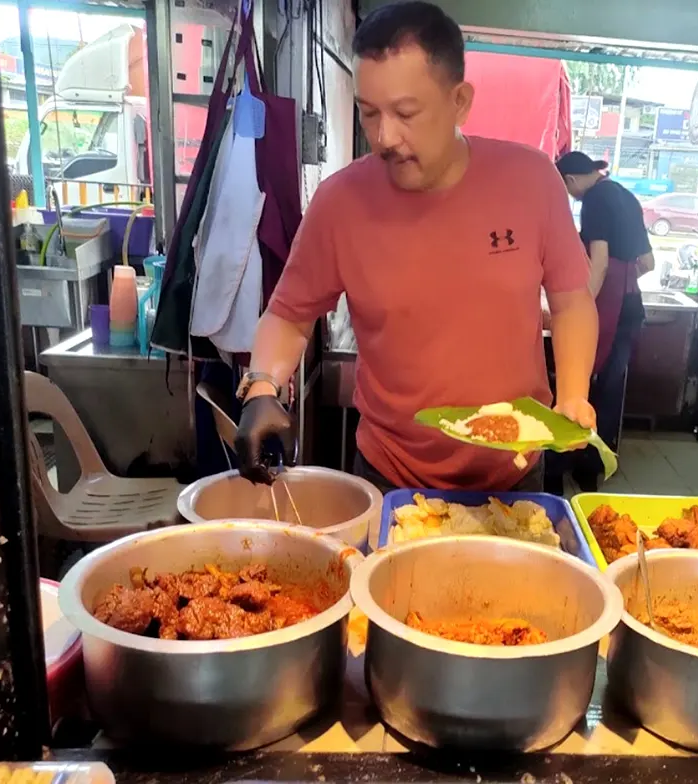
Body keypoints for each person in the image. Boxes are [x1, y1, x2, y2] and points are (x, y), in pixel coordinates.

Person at [233, 1, 599, 492]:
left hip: (514, 472)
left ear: (460, 101)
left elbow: (572, 299)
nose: (385, 137)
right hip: (391, 476)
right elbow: (289, 314)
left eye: (406, 113)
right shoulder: (341, 202)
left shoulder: (531, 179)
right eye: (369, 114)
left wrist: (573, 395)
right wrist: (262, 387)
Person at [551, 152, 654, 490]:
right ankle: (592, 468)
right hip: (631, 306)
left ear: (570, 181)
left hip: (608, 306)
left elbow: (601, 263)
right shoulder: (626, 195)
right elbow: (648, 263)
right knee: (611, 390)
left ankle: (578, 465)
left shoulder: (595, 199)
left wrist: (580, 305)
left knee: (584, 388)